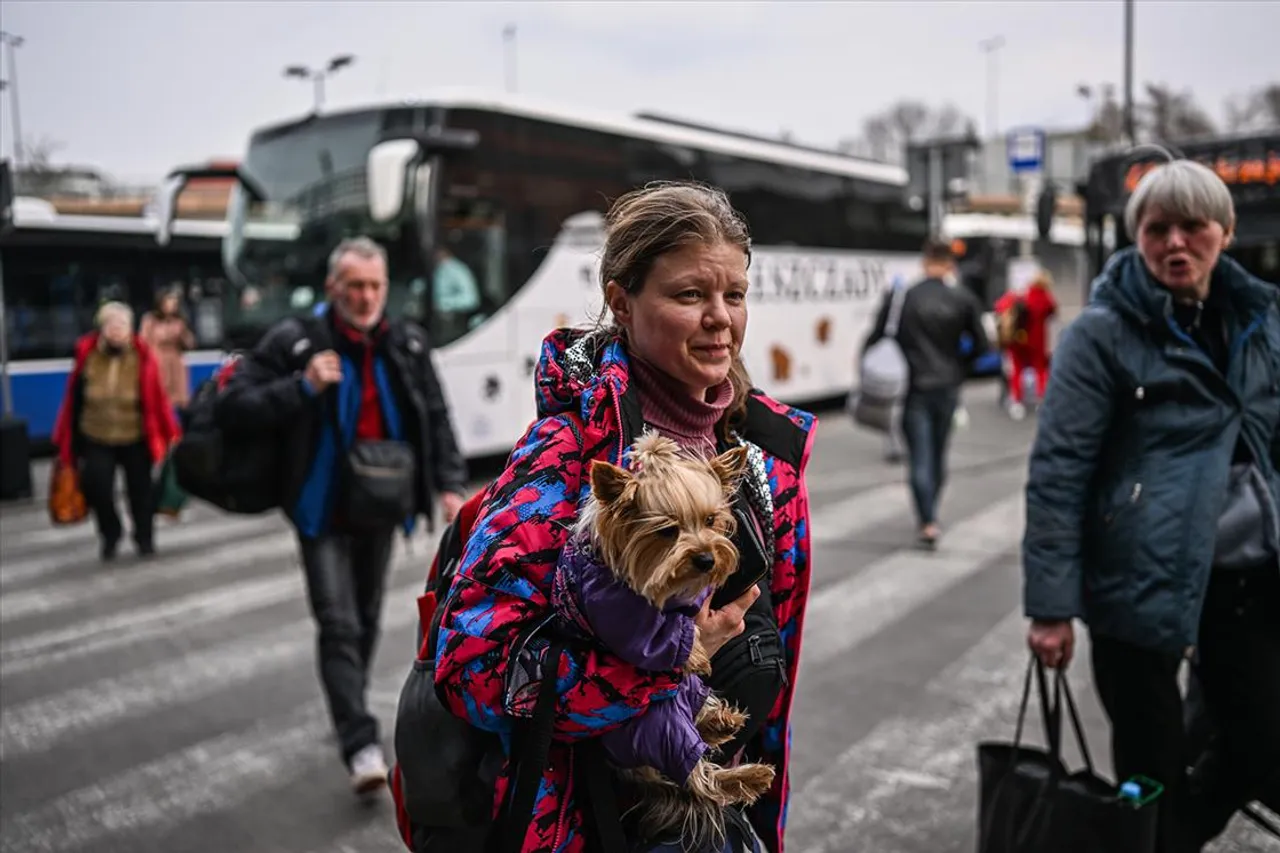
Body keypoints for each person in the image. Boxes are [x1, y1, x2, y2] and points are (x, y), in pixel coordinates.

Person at [433, 182, 816, 853]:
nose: (720, 319)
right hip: (595, 828)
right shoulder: (567, 456)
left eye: (735, 294)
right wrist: (661, 666)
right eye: (690, 295)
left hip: (721, 818)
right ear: (621, 301)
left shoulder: (761, 454)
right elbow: (472, 669)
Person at [1023, 159, 1280, 853]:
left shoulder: (1260, 319)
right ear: (1137, 237)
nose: (1175, 243)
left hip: (1244, 576)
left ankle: (1173, 836)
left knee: (1263, 742)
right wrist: (1050, 606)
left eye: (1193, 227)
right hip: (1135, 575)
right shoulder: (1100, 333)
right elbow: (1059, 471)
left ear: (1225, 232)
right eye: (1157, 229)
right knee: (1149, 769)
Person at [218, 236, 469, 795]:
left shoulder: (405, 341)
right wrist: (302, 386)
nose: (366, 296)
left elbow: (435, 414)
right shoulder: (297, 340)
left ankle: (347, 701)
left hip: (381, 506)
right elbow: (234, 405)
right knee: (339, 623)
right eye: (354, 286)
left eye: (375, 285)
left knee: (367, 618)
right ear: (333, 287)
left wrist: (450, 485)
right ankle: (359, 741)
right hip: (321, 507)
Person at [862, 239, 988, 549]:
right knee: (938, 453)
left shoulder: (904, 297)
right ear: (950, 265)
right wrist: (960, 368)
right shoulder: (963, 298)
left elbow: (876, 336)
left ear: (925, 261)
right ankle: (932, 510)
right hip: (947, 387)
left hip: (913, 387)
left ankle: (927, 520)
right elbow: (983, 345)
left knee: (919, 454)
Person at [51, 301, 180, 560]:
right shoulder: (87, 354)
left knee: (140, 492)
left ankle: (144, 538)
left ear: (130, 329)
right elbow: (72, 398)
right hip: (95, 434)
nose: (116, 330)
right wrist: (65, 437)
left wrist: (172, 433)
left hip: (135, 435)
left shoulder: (142, 356)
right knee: (97, 488)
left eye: (122, 325)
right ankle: (111, 533)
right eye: (111, 325)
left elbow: (157, 399)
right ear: (102, 328)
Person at [993, 270, 1058, 419]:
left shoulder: (1021, 296)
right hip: (1037, 342)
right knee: (1040, 369)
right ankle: (1042, 400)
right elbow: (1053, 311)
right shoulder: (1045, 298)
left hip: (1017, 340)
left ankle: (1017, 401)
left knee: (1017, 370)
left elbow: (999, 307)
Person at [140, 286, 197, 411]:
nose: (172, 305)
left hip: (175, 363)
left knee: (179, 400)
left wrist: (183, 332)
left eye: (175, 302)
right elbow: (143, 342)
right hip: (157, 361)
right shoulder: (150, 320)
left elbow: (190, 345)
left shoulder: (179, 321)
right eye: (169, 301)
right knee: (158, 398)